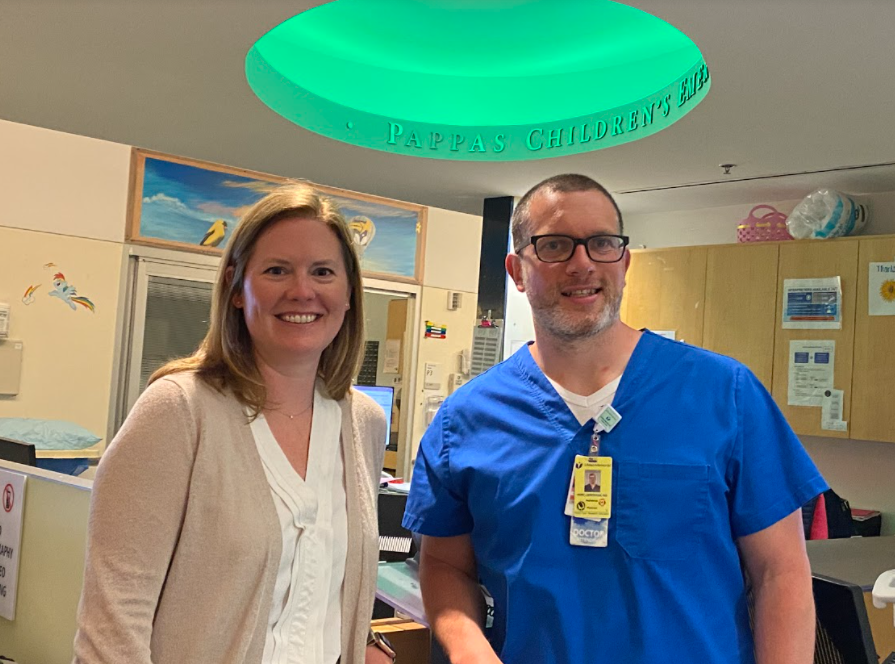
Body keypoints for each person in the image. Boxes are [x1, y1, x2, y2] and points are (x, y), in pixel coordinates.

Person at [403, 174, 828, 664]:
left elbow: (781, 573)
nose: (582, 263)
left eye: (602, 243)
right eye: (554, 245)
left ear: (624, 263)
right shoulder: (466, 420)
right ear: (517, 271)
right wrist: (468, 649)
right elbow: (444, 566)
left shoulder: (724, 394)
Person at [73, 184, 395, 664]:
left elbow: (318, 589)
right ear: (236, 289)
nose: (302, 290)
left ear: (349, 294)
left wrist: (365, 641)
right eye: (276, 270)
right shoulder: (178, 410)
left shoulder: (363, 422)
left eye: (323, 272)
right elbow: (112, 628)